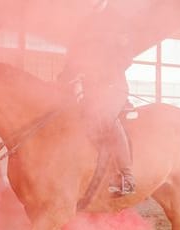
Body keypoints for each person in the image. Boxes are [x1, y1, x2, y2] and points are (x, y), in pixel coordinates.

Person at [58, 0, 135, 196]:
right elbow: (73, 57)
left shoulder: (119, 20)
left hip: (112, 86)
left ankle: (125, 177)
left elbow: (126, 56)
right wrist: (64, 78)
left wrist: (102, 73)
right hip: (87, 89)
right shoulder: (83, 24)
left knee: (105, 117)